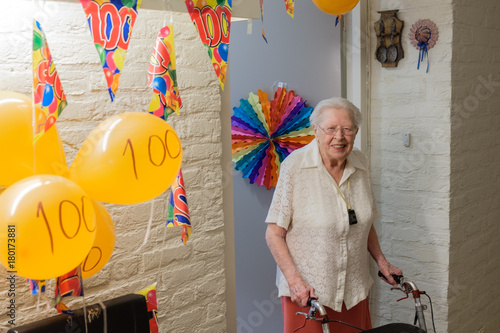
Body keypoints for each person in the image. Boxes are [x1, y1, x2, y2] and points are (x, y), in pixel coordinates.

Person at [265, 97, 402, 333]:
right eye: (331, 129)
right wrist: (295, 283)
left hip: (353, 289)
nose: (339, 137)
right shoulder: (295, 167)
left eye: (347, 129)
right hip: (309, 295)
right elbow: (274, 234)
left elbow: (364, 222)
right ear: (316, 130)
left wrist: (382, 262)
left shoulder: (360, 164)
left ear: (356, 132)